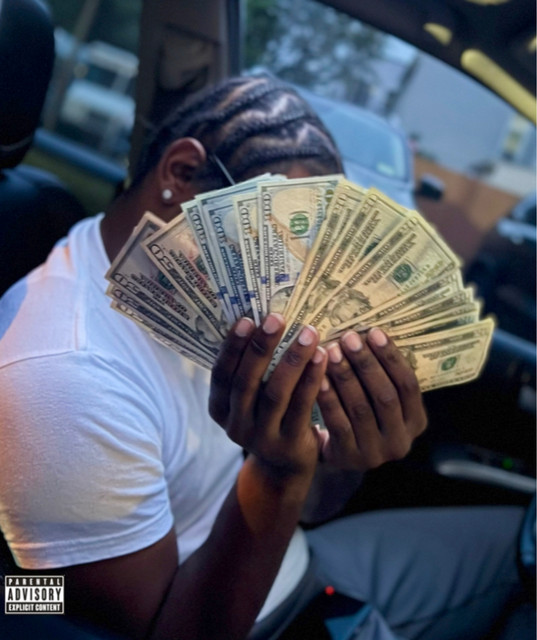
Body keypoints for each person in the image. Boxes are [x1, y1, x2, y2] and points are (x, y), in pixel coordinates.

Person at [0, 75, 526, 640]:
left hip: (299, 562)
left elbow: (311, 507)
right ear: (180, 173)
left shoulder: (195, 289)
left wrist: (340, 456)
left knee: (520, 543)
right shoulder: (64, 380)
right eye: (278, 232)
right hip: (263, 618)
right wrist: (278, 473)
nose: (294, 276)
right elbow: (157, 632)